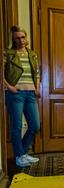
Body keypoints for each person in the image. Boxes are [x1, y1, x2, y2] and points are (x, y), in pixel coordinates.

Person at [3, 26, 41, 168]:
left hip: (30, 93)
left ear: (26, 38)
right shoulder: (8, 53)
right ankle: (19, 156)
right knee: (17, 126)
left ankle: (22, 153)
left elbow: (37, 72)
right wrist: (9, 87)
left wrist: (37, 88)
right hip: (15, 94)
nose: (21, 40)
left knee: (35, 126)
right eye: (17, 38)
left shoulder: (32, 54)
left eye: (23, 37)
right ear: (13, 39)